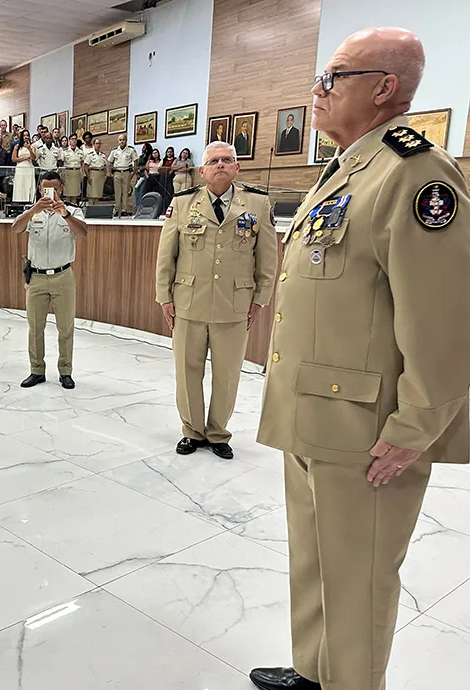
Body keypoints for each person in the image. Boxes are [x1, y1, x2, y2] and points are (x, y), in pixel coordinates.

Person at [250, 27, 470, 690]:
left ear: (384, 88)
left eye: (333, 77)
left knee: (360, 579)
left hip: (369, 432)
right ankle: (314, 672)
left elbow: (446, 319)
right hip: (314, 413)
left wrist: (416, 428)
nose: (316, 92)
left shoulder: (417, 175)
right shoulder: (348, 168)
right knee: (315, 563)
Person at [156, 140, 278, 459]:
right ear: (202, 170)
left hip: (235, 304)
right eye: (214, 161)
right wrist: (164, 297)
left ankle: (218, 432)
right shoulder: (183, 203)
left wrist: (261, 299)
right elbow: (166, 255)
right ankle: (193, 431)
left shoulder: (257, 204)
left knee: (227, 374)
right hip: (188, 301)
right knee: (187, 371)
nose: (221, 165)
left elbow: (267, 256)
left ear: (237, 167)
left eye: (227, 160)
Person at [13, 171, 88, 390]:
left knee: (65, 328)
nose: (51, 192)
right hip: (36, 277)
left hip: (63, 277)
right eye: (46, 188)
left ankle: (66, 371)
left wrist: (65, 215)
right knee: (35, 328)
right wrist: (32, 210)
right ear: (39, 189)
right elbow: (15, 228)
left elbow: (83, 233)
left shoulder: (73, 211)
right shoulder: (33, 213)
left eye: (55, 188)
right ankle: (37, 370)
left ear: (62, 188)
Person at [106, 134, 137, 217]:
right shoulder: (114, 151)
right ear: (118, 141)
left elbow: (136, 162)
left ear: (126, 140)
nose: (121, 141)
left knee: (126, 192)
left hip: (126, 172)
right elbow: (109, 162)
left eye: (123, 140)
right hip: (117, 173)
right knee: (117, 192)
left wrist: (133, 174)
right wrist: (109, 174)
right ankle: (117, 209)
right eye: (120, 140)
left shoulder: (131, 150)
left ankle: (124, 210)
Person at [11, 129, 36, 202]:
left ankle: (30, 201)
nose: (26, 137)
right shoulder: (17, 146)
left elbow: (34, 158)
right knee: (20, 185)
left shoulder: (32, 146)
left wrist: (29, 149)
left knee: (28, 185)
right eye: (24, 135)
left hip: (29, 167)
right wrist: (24, 158)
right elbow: (14, 159)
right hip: (20, 167)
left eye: (27, 135)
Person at [61, 135, 85, 204]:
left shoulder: (80, 151)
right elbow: (61, 163)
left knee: (75, 194)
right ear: (69, 141)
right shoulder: (65, 151)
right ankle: (68, 210)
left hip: (77, 172)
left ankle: (74, 209)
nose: (74, 140)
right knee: (68, 195)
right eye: (72, 139)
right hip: (68, 172)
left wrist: (82, 173)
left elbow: (82, 162)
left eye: (75, 139)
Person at [83, 137, 107, 202]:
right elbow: (85, 166)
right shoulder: (90, 155)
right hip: (93, 174)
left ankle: (96, 209)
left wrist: (105, 175)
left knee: (98, 194)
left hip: (100, 175)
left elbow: (105, 166)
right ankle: (91, 209)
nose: (98, 145)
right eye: (96, 143)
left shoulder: (103, 155)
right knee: (91, 194)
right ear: (94, 145)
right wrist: (88, 176)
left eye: (99, 143)